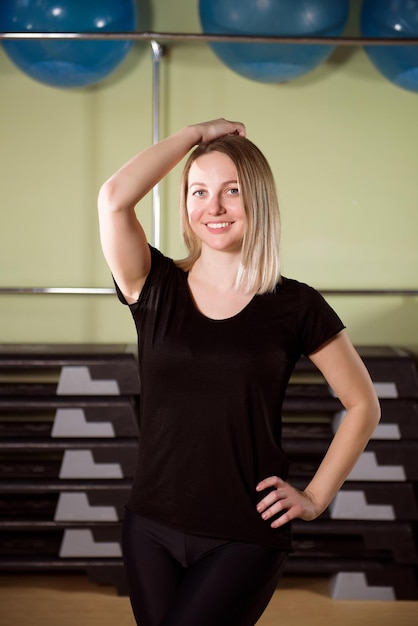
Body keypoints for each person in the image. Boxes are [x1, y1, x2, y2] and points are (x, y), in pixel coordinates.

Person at [98, 118, 381, 626]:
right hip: (150, 527)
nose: (215, 207)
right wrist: (194, 135)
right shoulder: (152, 283)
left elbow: (364, 405)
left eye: (232, 190)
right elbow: (115, 197)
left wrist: (315, 497)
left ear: (259, 201)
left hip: (244, 534)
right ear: (185, 205)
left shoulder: (296, 305)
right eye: (199, 191)